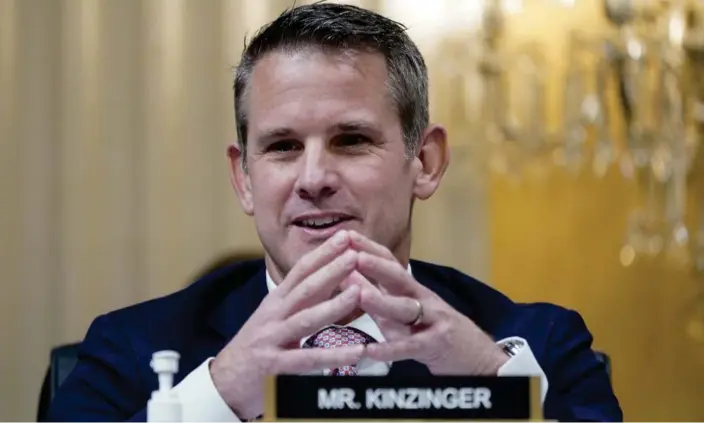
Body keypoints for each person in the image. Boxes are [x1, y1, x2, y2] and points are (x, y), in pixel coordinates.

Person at [45, 3, 622, 422]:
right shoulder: (128, 348)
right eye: (282, 147)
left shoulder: (541, 345)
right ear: (243, 177)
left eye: (350, 140)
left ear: (424, 161)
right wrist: (220, 396)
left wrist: (491, 384)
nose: (314, 179)